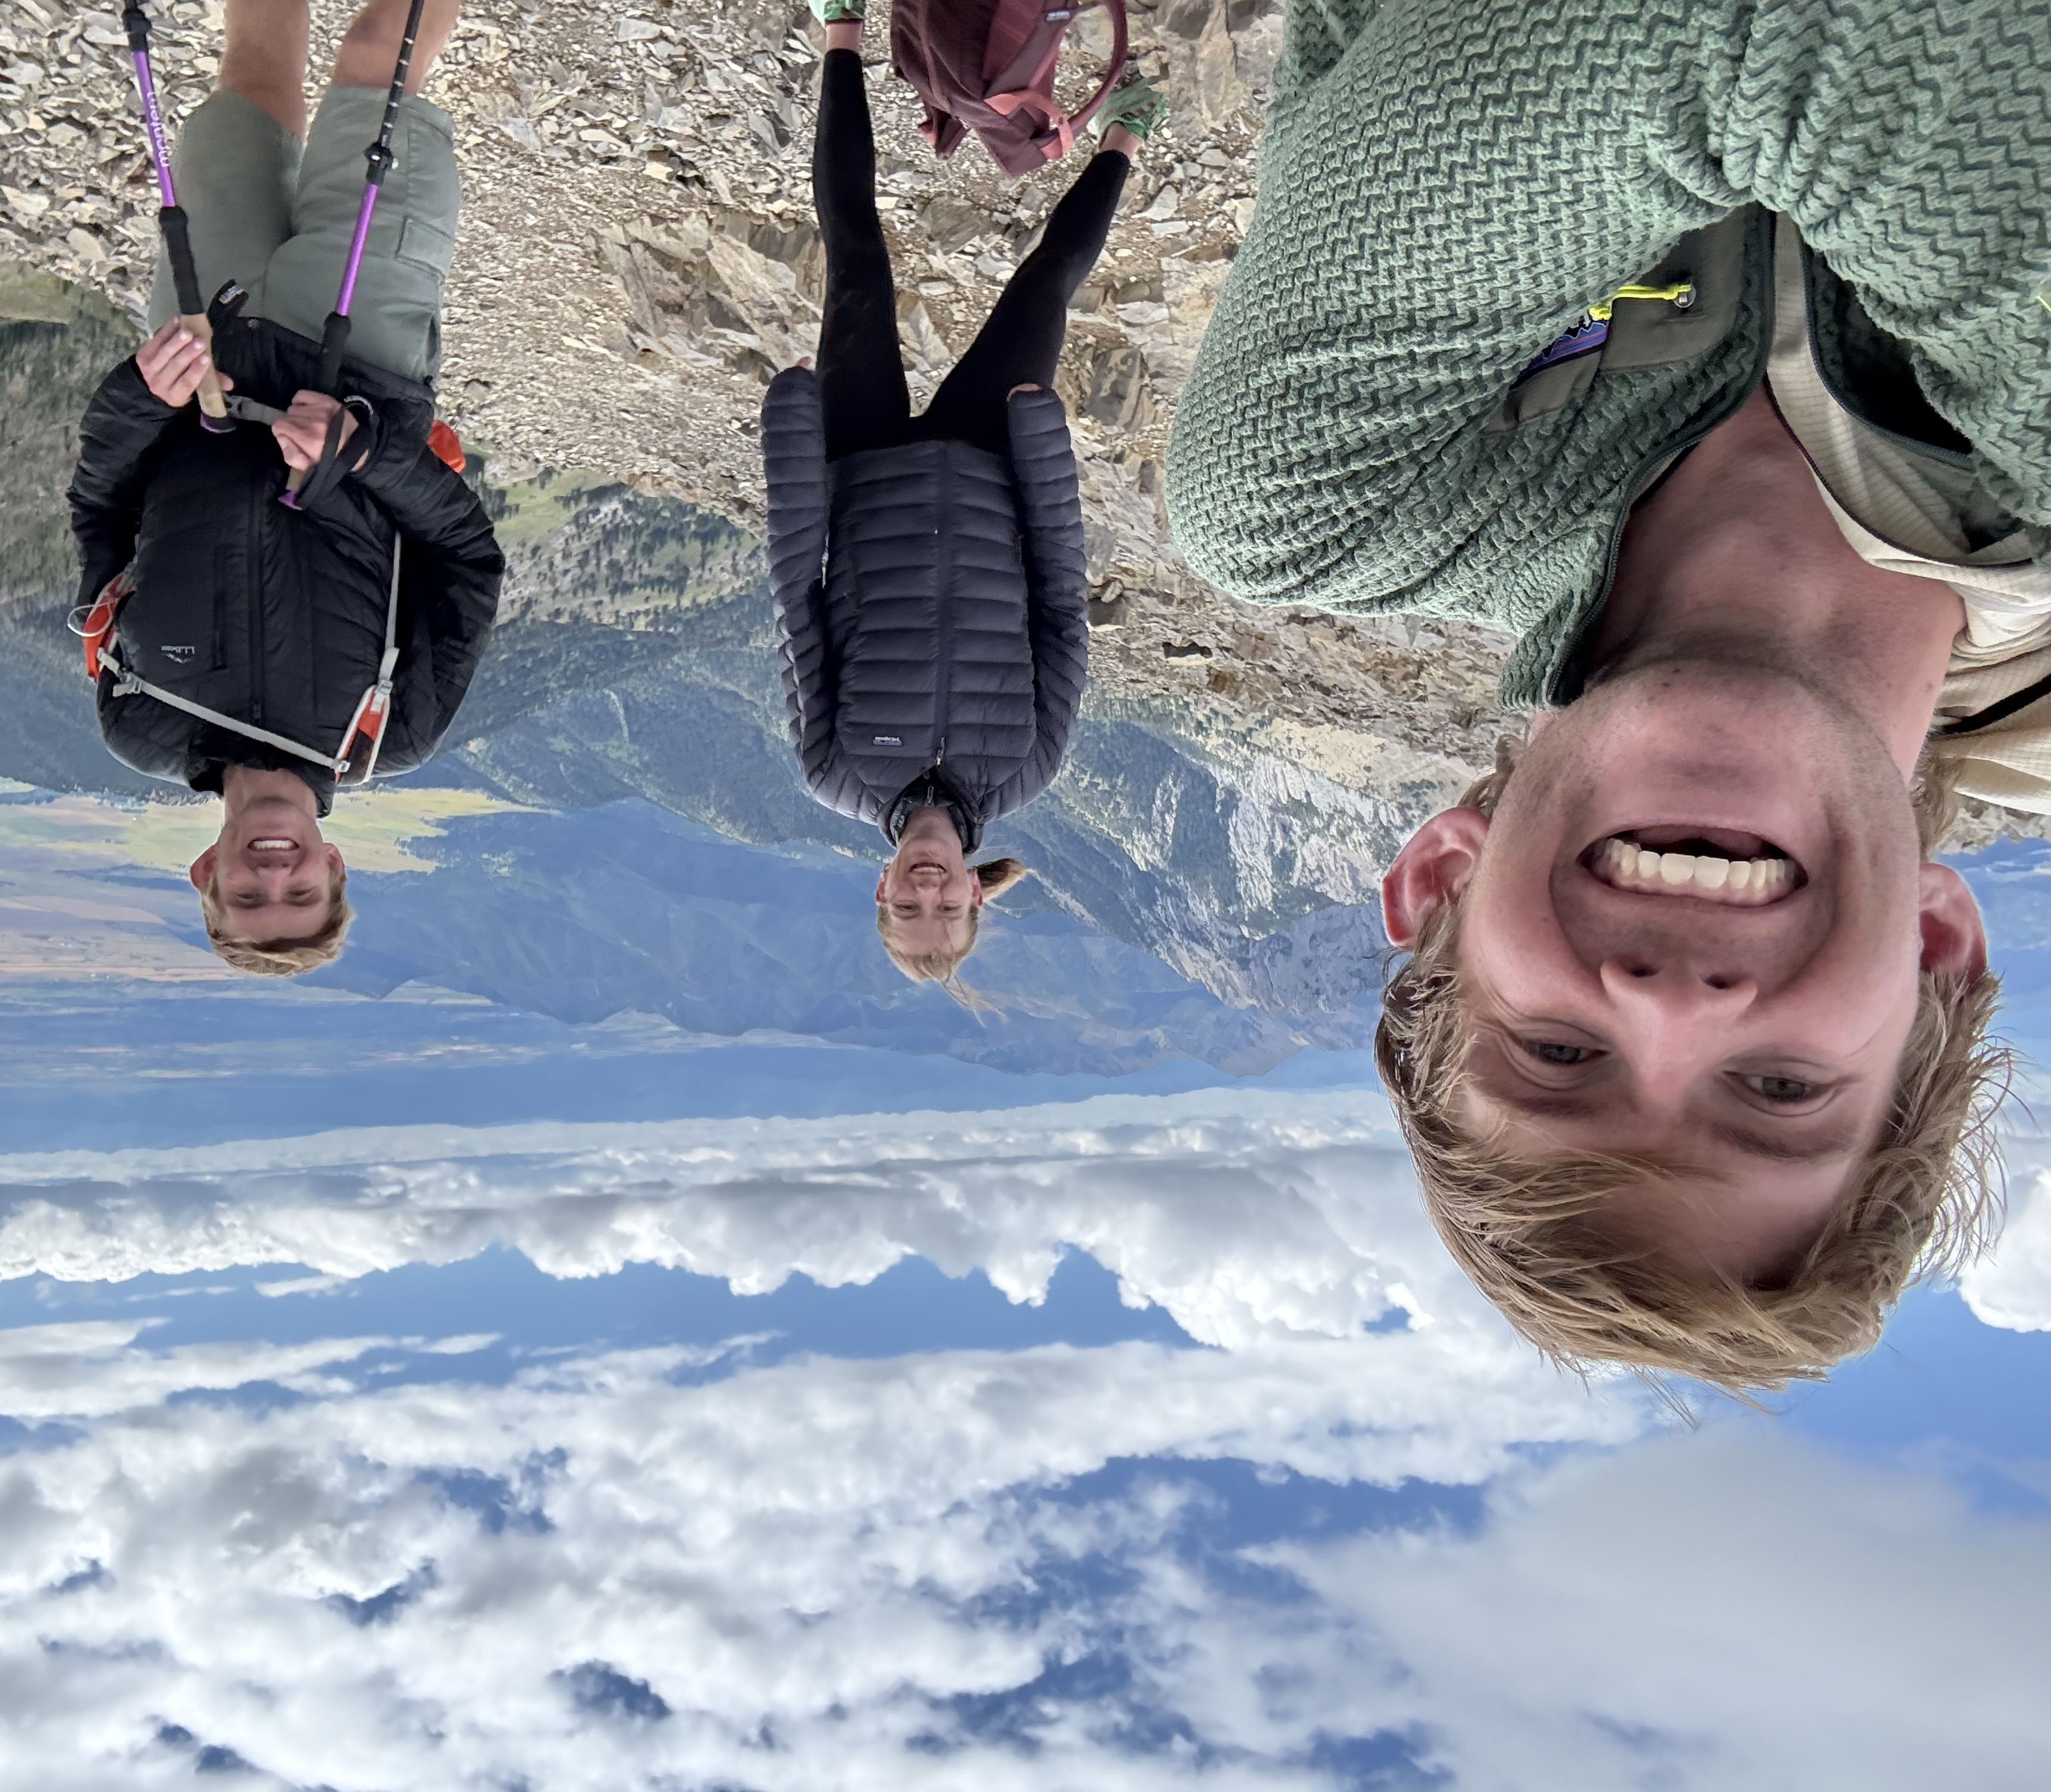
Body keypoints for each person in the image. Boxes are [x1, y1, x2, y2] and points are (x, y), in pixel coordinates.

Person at [1164, 0, 2047, 1392]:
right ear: (1940, 953)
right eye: (1779, 1092)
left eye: (1559, 1052)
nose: (1671, 1006)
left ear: (1440, 884)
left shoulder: (1333, 503)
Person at [68, 0, 503, 978]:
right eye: (301, 894)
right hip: (365, 350)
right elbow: (470, 561)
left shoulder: (138, 720)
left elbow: (100, 505)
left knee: (253, 71)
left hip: (207, 326)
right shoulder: (395, 730)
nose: (276, 875)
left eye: (250, 897)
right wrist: (368, 456)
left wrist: (144, 394)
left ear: (203, 874)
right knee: (375, 61)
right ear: (335, 865)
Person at [762, 0, 1168, 1001]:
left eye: (909, 908)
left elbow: (799, 606)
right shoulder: (1029, 769)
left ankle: (843, 32)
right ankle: (1125, 134)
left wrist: (794, 456)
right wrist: (1039, 458)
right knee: (1045, 287)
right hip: (993, 470)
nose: (929, 895)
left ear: (883, 889)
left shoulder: (837, 770)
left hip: (862, 468)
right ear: (977, 898)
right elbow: (1060, 613)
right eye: (947, 911)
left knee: (857, 257)